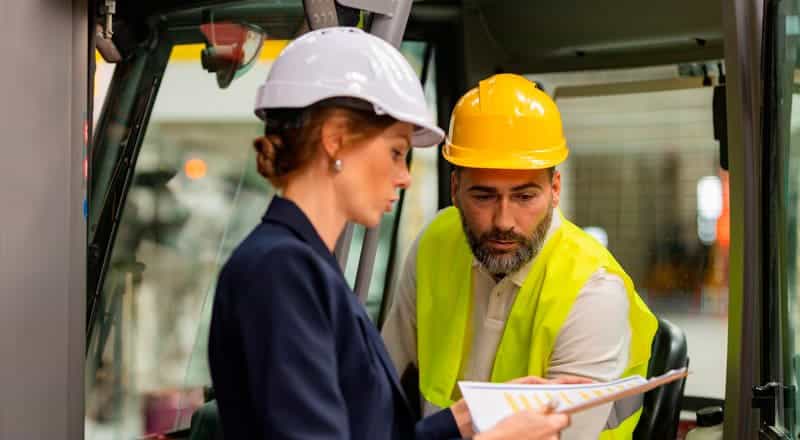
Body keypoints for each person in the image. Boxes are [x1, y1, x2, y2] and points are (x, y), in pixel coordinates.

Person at [207, 28, 570, 440]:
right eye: (396, 152)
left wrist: (468, 419)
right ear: (335, 142)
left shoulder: (303, 265)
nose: (404, 177)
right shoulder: (281, 271)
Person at [381, 73, 658, 439]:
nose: (503, 221)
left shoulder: (592, 290)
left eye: (525, 197)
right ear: (455, 189)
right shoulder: (435, 242)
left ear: (554, 189)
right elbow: (383, 382)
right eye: (483, 196)